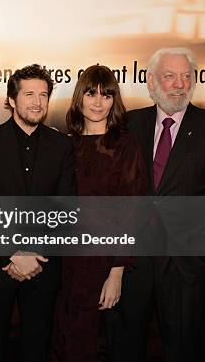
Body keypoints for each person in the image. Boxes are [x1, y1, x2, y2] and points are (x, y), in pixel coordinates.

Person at [0, 64, 76, 362]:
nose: (37, 102)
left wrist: (32, 253)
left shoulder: (62, 145)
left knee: (37, 348)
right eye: (29, 94)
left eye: (43, 94)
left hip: (43, 266)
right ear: (12, 100)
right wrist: (12, 253)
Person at [106, 47, 205, 362]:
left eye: (186, 76)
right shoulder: (128, 125)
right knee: (125, 343)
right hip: (134, 260)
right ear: (151, 82)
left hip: (183, 261)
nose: (179, 84)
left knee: (183, 346)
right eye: (170, 76)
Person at [53, 65, 148, 362]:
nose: (97, 102)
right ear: (79, 97)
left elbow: (132, 210)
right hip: (64, 262)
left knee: (97, 344)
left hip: (104, 261)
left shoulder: (125, 145)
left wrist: (116, 272)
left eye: (106, 95)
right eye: (91, 93)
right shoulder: (66, 144)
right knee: (63, 341)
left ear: (114, 100)